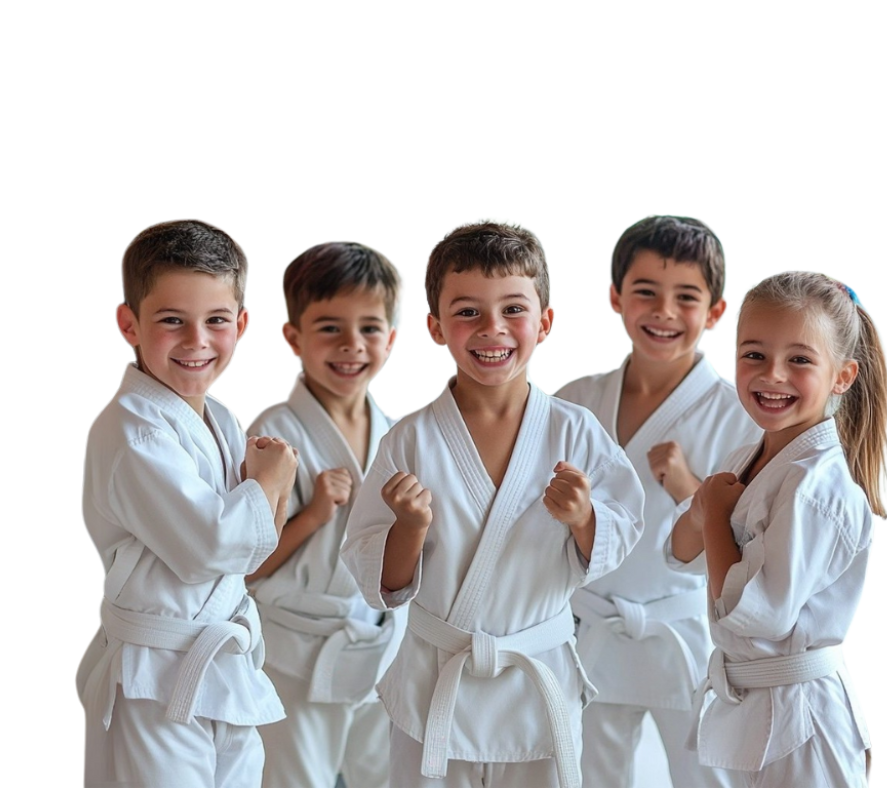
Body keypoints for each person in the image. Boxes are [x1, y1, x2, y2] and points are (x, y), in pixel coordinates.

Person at [341, 217, 645, 788]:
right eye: (467, 312)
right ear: (434, 326)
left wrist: (584, 519)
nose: (491, 329)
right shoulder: (409, 439)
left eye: (512, 309)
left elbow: (622, 531)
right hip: (435, 684)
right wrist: (408, 526)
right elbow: (378, 577)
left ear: (546, 321)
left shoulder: (575, 432)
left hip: (536, 683)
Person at [77, 219, 299, 787]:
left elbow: (250, 556)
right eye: (171, 320)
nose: (197, 341)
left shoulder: (222, 419)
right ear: (129, 323)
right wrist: (271, 480)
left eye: (216, 320)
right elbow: (210, 546)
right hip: (156, 675)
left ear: (242, 324)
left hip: (222, 668)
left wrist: (265, 487)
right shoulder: (131, 431)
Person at [555, 214, 761, 788]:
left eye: (686, 297)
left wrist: (688, 488)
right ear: (616, 297)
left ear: (717, 312)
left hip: (683, 627)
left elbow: (751, 540)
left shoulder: (736, 410)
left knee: (705, 774)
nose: (664, 312)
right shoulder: (575, 401)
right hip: (591, 626)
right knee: (590, 774)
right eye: (645, 292)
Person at [669, 270, 886, 787]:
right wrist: (704, 510)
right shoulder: (747, 458)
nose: (772, 375)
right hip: (752, 710)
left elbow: (755, 615)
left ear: (843, 376)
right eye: (754, 355)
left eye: (800, 360)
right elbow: (678, 553)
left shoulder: (817, 486)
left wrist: (714, 516)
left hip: (804, 723)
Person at [247, 240, 404, 788]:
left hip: (380, 647)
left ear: (392, 336)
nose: (351, 345)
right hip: (294, 650)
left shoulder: (399, 435)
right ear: (293, 337)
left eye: (368, 328)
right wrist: (313, 513)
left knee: (389, 777)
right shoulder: (272, 436)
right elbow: (245, 567)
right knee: (295, 780)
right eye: (330, 327)